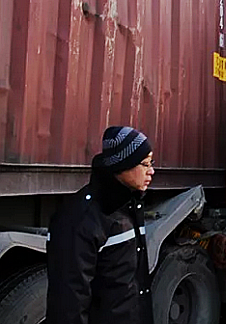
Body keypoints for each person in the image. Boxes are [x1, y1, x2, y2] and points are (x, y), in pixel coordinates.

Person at [46, 126, 155, 324]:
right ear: (123, 164)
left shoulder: (129, 206)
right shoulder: (80, 219)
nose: (152, 171)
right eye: (145, 164)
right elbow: (69, 303)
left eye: (151, 162)